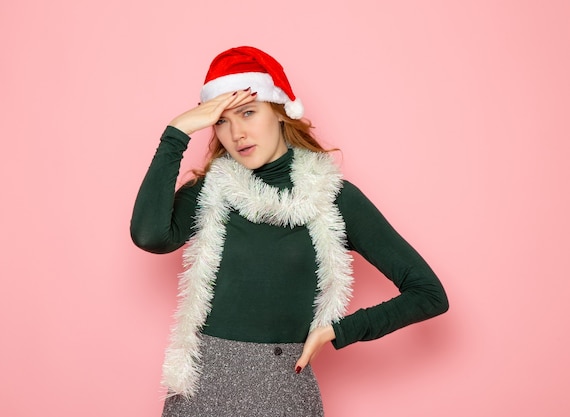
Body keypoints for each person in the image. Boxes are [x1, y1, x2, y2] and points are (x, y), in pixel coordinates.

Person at [130, 46, 449, 417]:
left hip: (282, 391)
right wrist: (177, 131)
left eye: (249, 113)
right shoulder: (210, 191)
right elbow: (149, 235)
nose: (237, 133)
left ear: (281, 113)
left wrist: (338, 330)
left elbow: (428, 293)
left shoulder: (333, 198)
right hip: (201, 390)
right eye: (222, 120)